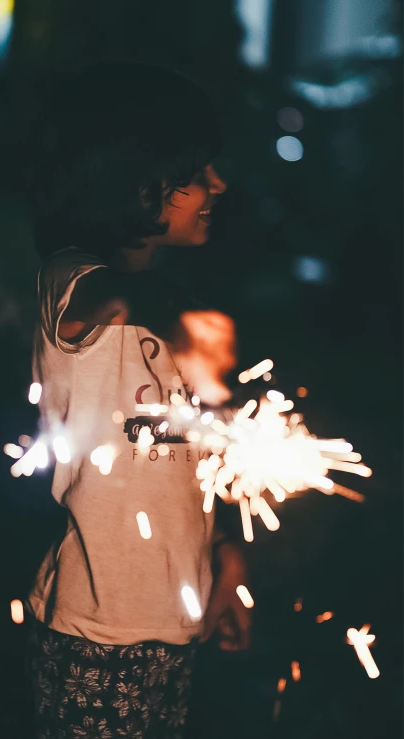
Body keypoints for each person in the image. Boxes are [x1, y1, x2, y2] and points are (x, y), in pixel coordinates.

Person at [24, 61, 251, 739]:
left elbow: (208, 452)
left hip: (174, 622)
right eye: (195, 171)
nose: (218, 184)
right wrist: (178, 317)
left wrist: (228, 553)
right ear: (130, 179)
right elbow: (113, 302)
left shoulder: (175, 303)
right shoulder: (70, 287)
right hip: (94, 633)